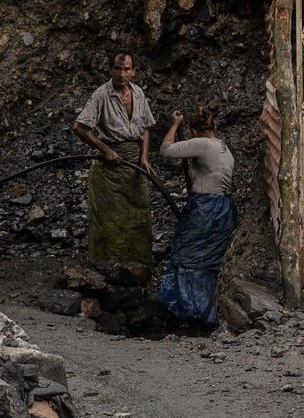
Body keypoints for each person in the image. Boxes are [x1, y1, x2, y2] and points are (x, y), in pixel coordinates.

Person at [70, 52, 157, 271]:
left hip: (134, 166)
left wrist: (144, 157)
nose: (122, 73)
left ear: (133, 71)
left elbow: (146, 127)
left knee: (138, 215)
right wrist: (105, 149)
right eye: (118, 68)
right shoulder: (101, 95)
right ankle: (107, 271)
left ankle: (138, 268)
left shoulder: (138, 93)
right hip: (109, 169)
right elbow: (79, 127)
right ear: (110, 70)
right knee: (109, 221)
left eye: (127, 69)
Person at [154, 106, 239, 327]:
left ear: (193, 131)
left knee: (188, 257)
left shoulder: (202, 144)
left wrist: (174, 125)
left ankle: (187, 311)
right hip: (223, 209)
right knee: (208, 261)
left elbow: (165, 150)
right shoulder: (224, 147)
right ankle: (206, 311)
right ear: (215, 126)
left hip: (204, 209)